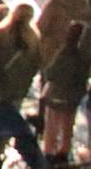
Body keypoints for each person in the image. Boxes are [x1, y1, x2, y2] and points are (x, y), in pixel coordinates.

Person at [0, 2, 44, 169]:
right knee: (9, 118)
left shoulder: (0, 33)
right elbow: (36, 64)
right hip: (17, 89)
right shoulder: (34, 38)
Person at [39, 21, 91, 161]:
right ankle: (63, 153)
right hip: (72, 98)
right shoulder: (84, 57)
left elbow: (50, 73)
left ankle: (49, 153)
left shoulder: (63, 52)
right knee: (67, 127)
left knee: (51, 127)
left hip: (56, 95)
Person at [35, 0, 91, 68]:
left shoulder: (55, 3)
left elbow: (41, 26)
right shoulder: (83, 0)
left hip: (52, 48)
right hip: (73, 49)